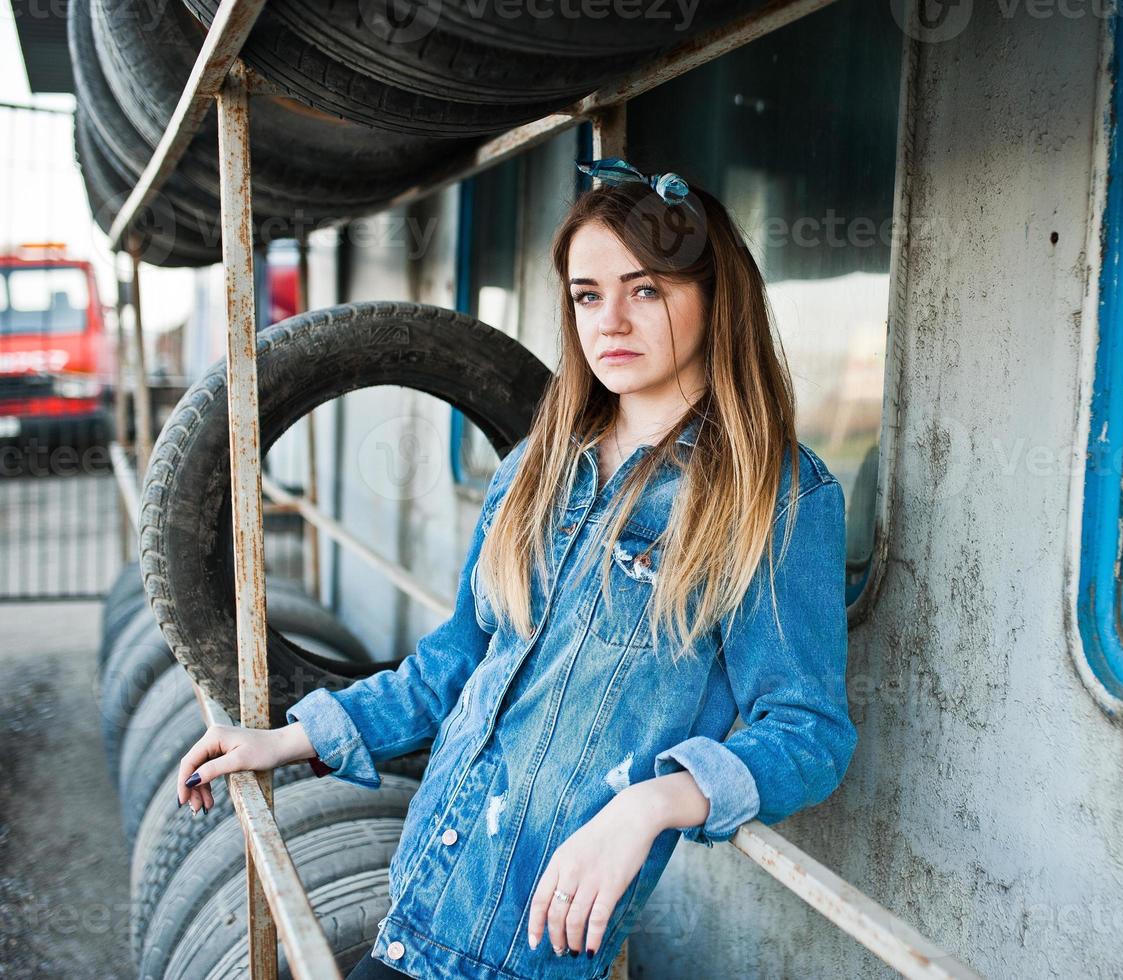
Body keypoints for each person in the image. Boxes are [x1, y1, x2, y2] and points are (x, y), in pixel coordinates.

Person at [173, 157, 859, 980]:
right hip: (424, 889)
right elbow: (458, 660)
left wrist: (652, 804)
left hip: (531, 943)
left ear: (715, 299)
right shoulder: (538, 462)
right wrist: (288, 739)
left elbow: (807, 730)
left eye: (645, 290)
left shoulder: (776, 496)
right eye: (586, 294)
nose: (610, 320)